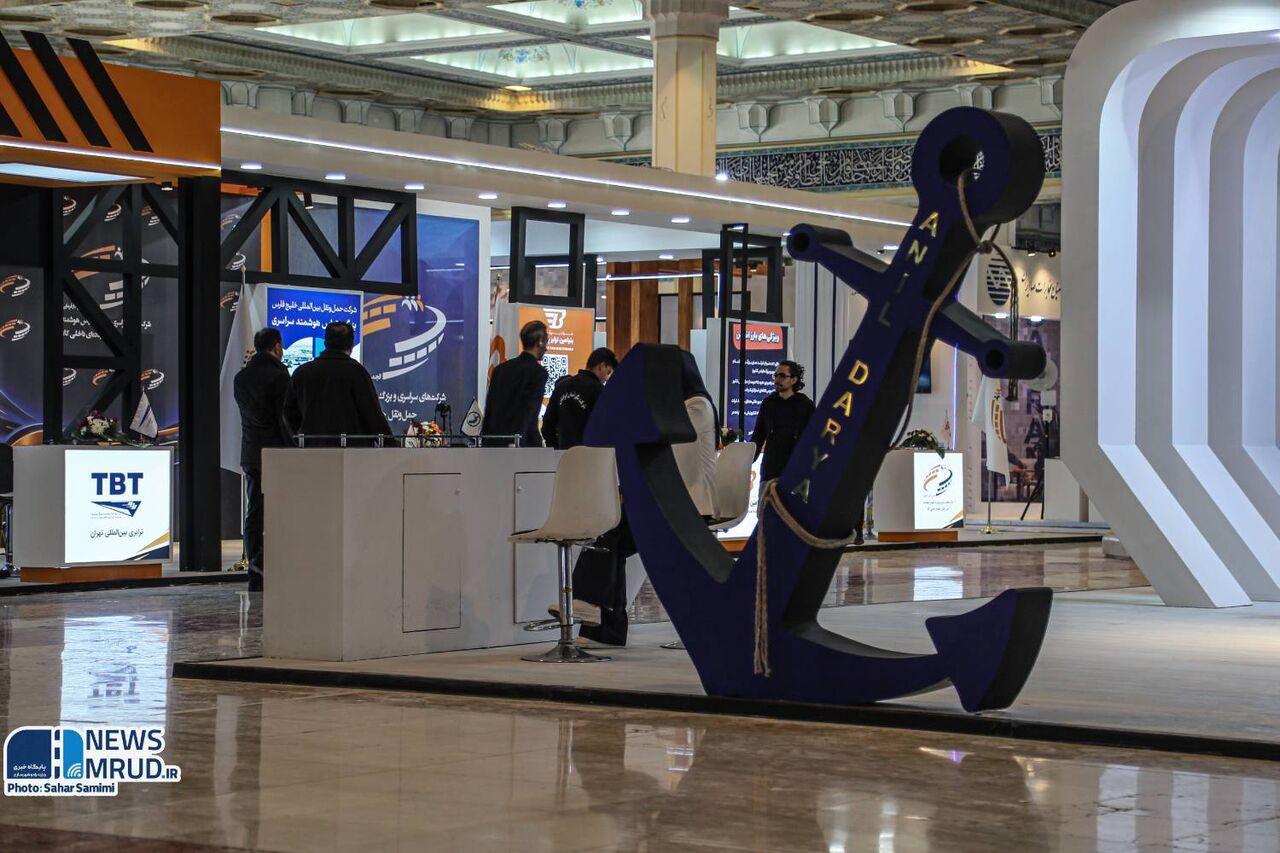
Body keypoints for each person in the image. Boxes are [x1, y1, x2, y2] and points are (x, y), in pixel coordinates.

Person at [233, 327, 291, 592]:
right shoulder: (279, 376)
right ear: (277, 347)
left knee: (255, 510)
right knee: (280, 512)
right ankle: (276, 566)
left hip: (251, 453)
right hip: (277, 453)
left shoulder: (241, 377)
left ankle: (255, 568)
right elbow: (284, 419)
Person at [284, 321, 392, 446]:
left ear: (325, 343)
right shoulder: (357, 372)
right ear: (351, 344)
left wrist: (301, 438)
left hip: (313, 448)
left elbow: (289, 412)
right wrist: (390, 445)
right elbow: (372, 415)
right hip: (353, 450)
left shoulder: (302, 372)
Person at [482, 320, 549, 447]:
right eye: (546, 341)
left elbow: (490, 408)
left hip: (493, 442)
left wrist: (485, 441)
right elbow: (529, 413)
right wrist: (536, 445)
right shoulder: (538, 373)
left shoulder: (500, 370)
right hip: (519, 444)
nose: (546, 348)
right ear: (539, 341)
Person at [751, 359, 815, 484]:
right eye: (775, 375)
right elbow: (758, 436)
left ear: (794, 380)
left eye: (782, 376)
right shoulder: (768, 403)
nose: (777, 380)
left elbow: (813, 438)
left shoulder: (805, 405)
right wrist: (748, 461)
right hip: (770, 468)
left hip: (796, 469)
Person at [673, 350, 720, 520]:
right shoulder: (692, 403)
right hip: (691, 499)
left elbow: (674, 436)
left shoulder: (698, 405)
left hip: (699, 501)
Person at [541, 347, 617, 450]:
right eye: (608, 372)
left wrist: (556, 450)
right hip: (591, 455)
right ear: (602, 366)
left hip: (563, 455)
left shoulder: (562, 386)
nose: (607, 379)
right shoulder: (599, 391)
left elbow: (547, 426)